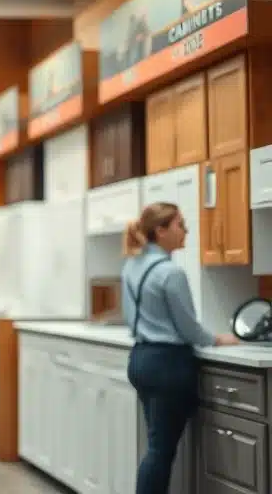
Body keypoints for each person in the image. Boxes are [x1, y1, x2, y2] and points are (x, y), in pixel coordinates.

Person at [121, 202, 239, 494]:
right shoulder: (170, 273)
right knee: (161, 451)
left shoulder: (131, 265)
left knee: (156, 445)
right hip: (168, 364)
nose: (185, 230)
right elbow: (188, 327)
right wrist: (217, 339)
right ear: (160, 231)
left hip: (141, 359)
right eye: (180, 224)